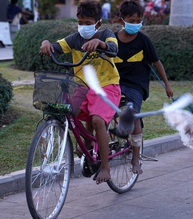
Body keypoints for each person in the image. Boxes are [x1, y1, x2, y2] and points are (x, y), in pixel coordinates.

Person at [39, 1, 121, 185]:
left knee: (98, 120)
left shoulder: (106, 34)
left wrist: (100, 43)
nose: (84, 27)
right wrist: (46, 44)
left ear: (98, 24)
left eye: (88, 23)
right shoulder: (74, 39)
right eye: (81, 23)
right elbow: (56, 46)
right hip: (83, 86)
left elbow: (114, 49)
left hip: (106, 86)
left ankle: (105, 167)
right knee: (68, 112)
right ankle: (87, 145)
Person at [114, 0, 173, 174]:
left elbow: (157, 63)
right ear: (121, 21)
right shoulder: (111, 38)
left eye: (138, 20)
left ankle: (135, 158)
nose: (135, 24)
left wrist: (167, 86)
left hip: (136, 85)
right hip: (114, 83)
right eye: (131, 20)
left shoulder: (143, 40)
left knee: (133, 115)